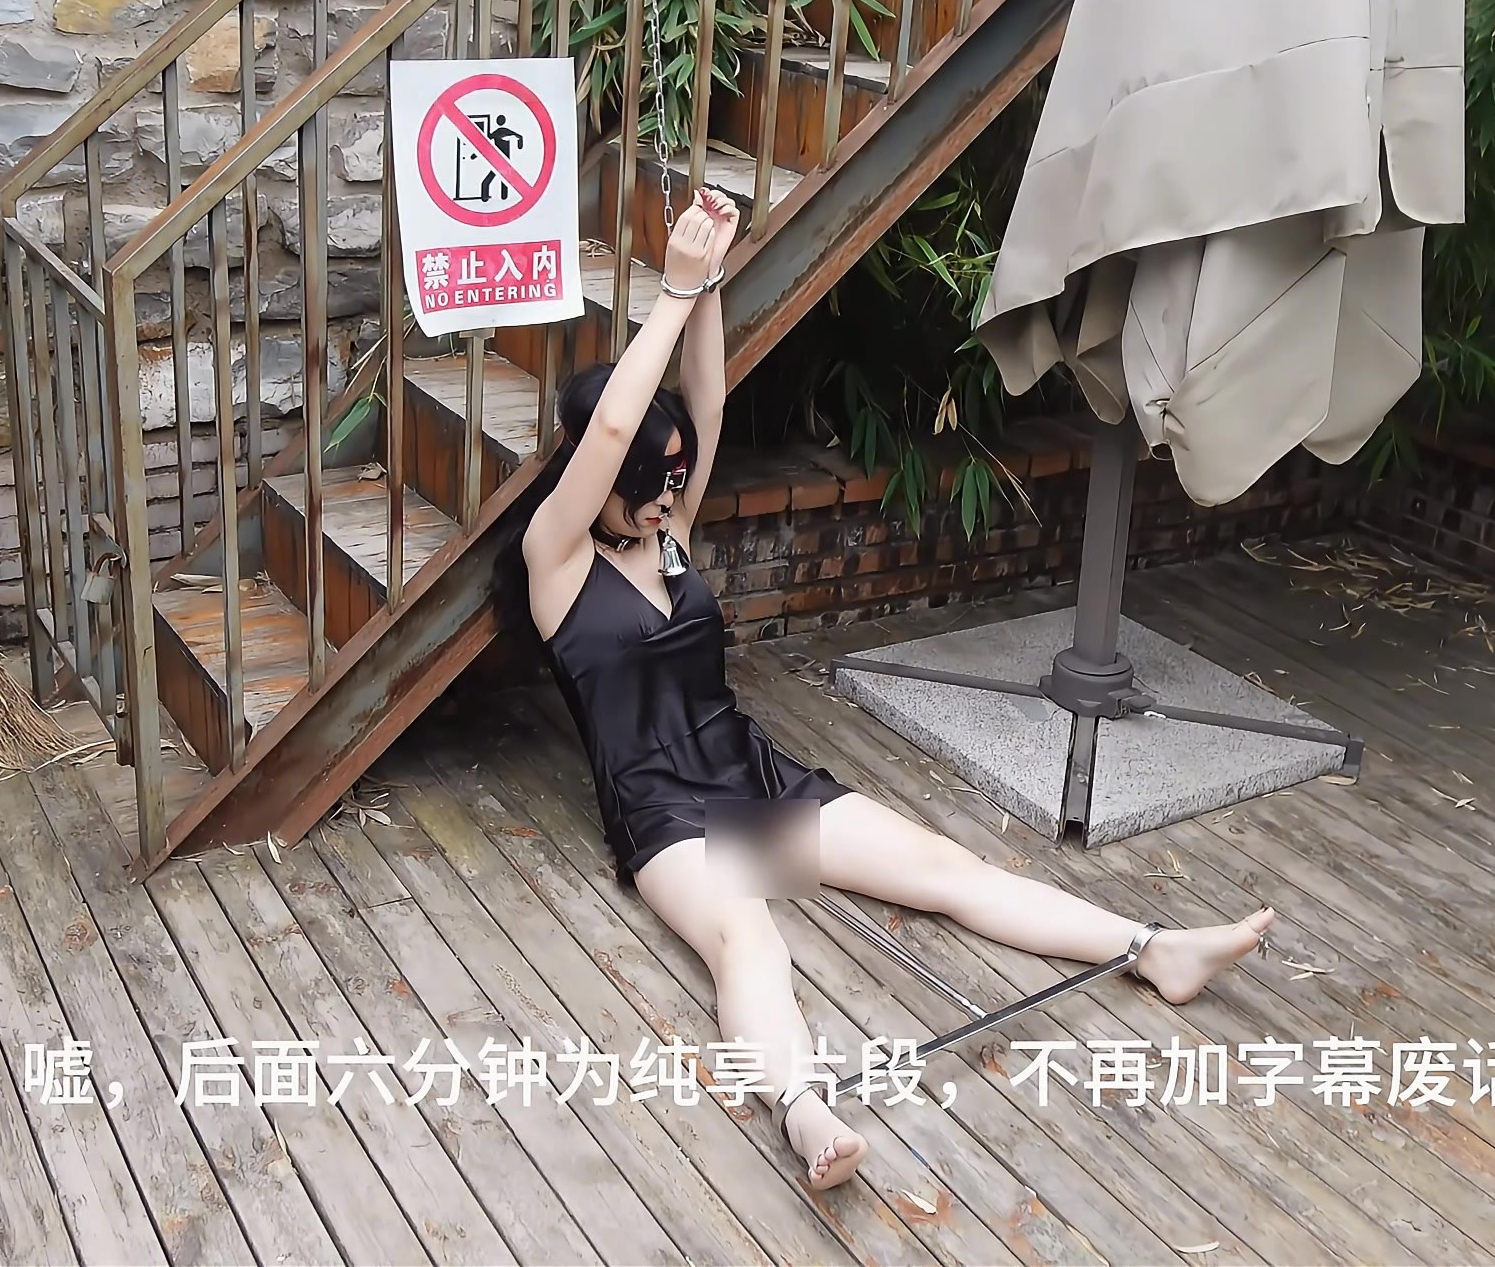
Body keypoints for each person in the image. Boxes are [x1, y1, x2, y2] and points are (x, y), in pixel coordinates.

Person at [493, 187, 1278, 1192]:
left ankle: (1152, 949)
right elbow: (610, 433)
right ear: (596, 483)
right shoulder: (556, 560)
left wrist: (713, 284)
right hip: (663, 813)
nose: (666, 498)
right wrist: (673, 290)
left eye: (676, 479)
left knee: (945, 870)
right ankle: (804, 1111)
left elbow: (709, 400)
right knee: (744, 935)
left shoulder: (670, 534)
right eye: (648, 485)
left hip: (751, 783)